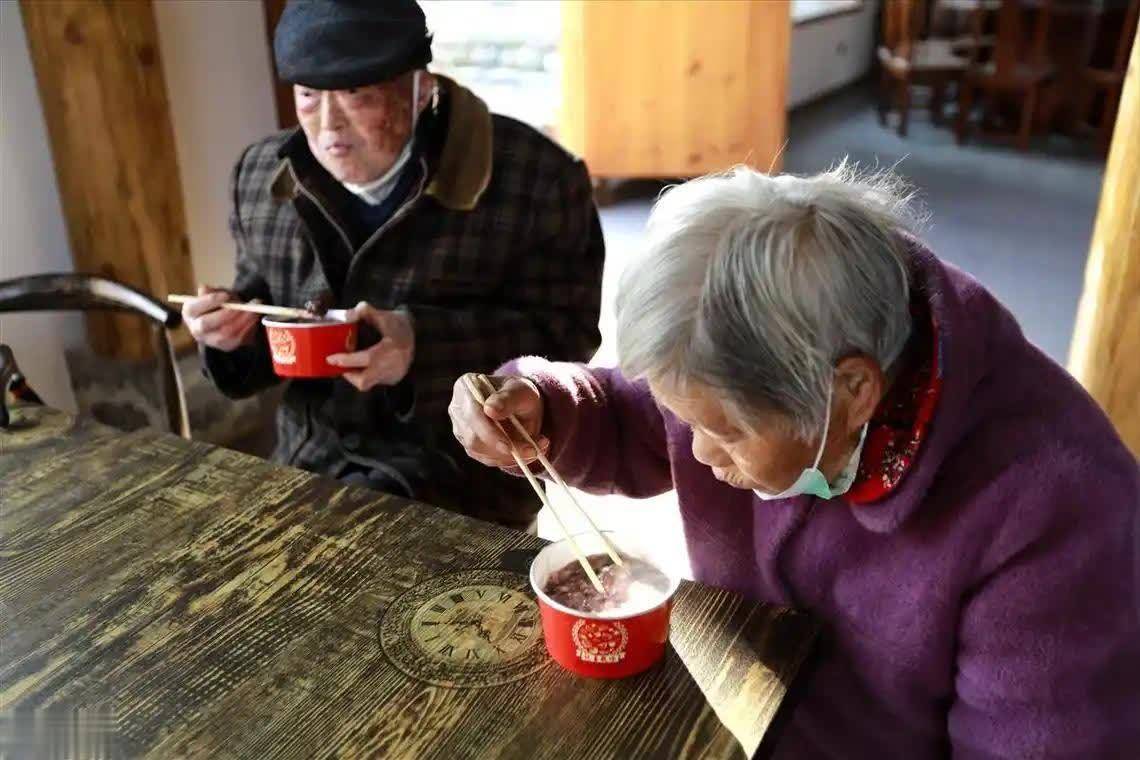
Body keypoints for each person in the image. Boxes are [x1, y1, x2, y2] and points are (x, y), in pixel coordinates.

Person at [449, 165, 1140, 757]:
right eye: (687, 419)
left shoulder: (1060, 518)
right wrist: (546, 409)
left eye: (725, 432)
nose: (695, 450)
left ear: (854, 391)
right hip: (740, 707)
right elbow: (640, 412)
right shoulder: (770, 355)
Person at [181, 0, 603, 530]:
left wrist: (419, 346)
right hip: (308, 464)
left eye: (356, 94)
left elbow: (567, 341)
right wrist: (231, 334)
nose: (328, 126)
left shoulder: (536, 178)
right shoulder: (260, 174)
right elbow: (263, 315)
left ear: (420, 88)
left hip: (461, 481)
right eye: (309, 95)